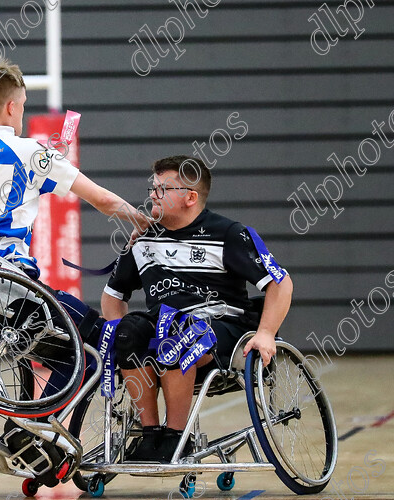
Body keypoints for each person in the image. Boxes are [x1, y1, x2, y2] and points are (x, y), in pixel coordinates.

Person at [0, 57, 151, 399]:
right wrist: (145, 220)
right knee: (100, 345)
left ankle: (43, 436)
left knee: (72, 350)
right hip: (14, 288)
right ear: (11, 106)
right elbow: (103, 202)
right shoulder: (27, 152)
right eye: (22, 106)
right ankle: (44, 440)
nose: (22, 113)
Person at [102, 155, 294, 462]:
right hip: (164, 327)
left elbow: (280, 283)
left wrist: (267, 333)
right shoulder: (144, 240)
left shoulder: (229, 234)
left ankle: (177, 437)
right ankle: (150, 434)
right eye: (153, 187)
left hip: (219, 328)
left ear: (191, 197)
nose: (153, 194)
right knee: (129, 330)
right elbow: (112, 297)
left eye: (163, 189)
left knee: (179, 331)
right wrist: (116, 329)